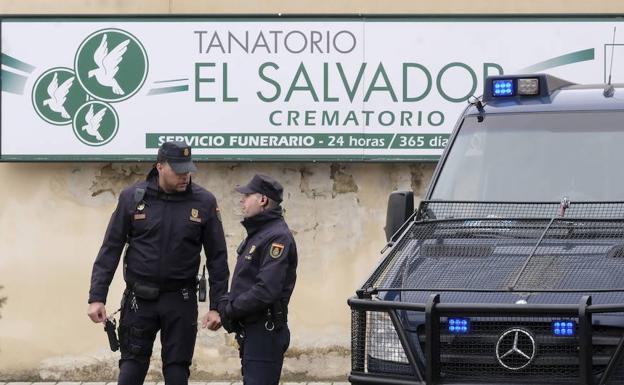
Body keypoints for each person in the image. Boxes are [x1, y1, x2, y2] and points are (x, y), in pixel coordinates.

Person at [87, 141, 229, 385]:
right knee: (131, 370)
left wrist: (217, 306)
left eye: (188, 170)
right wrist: (96, 297)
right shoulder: (133, 197)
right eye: (178, 170)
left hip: (180, 300)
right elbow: (110, 249)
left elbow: (218, 257)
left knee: (176, 373)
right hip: (139, 299)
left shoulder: (203, 202)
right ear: (160, 166)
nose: (185, 176)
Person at [218, 174, 298, 385]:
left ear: (262, 200)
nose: (242, 200)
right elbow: (245, 281)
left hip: (265, 330)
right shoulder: (259, 233)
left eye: (247, 195)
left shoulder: (276, 237)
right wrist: (225, 303)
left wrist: (229, 309)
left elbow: (266, 290)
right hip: (252, 329)